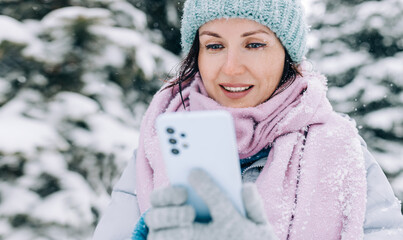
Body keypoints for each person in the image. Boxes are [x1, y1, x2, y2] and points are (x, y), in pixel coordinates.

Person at [92, 0, 403, 239]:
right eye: (214, 45)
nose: (231, 68)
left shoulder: (341, 149)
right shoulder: (158, 149)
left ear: (286, 54)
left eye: (254, 44)